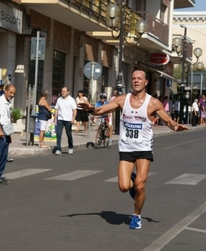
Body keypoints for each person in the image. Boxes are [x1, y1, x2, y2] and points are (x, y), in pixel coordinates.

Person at [79, 70, 188, 229]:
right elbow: (101, 110)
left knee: (140, 186)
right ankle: (133, 180)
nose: (136, 81)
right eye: (134, 78)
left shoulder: (153, 103)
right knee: (124, 187)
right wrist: (89, 109)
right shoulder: (122, 100)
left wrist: (176, 126)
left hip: (143, 147)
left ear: (145, 82)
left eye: (139, 78)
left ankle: (136, 216)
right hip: (126, 147)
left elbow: (168, 121)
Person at [54, 87, 77, 155]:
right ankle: (58, 149)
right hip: (60, 119)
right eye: (62, 91)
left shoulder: (71, 100)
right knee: (58, 134)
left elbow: (74, 110)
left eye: (64, 91)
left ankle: (70, 147)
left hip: (68, 120)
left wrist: (73, 118)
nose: (63, 92)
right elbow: (56, 109)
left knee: (69, 134)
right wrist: (55, 119)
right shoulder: (59, 99)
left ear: (68, 92)